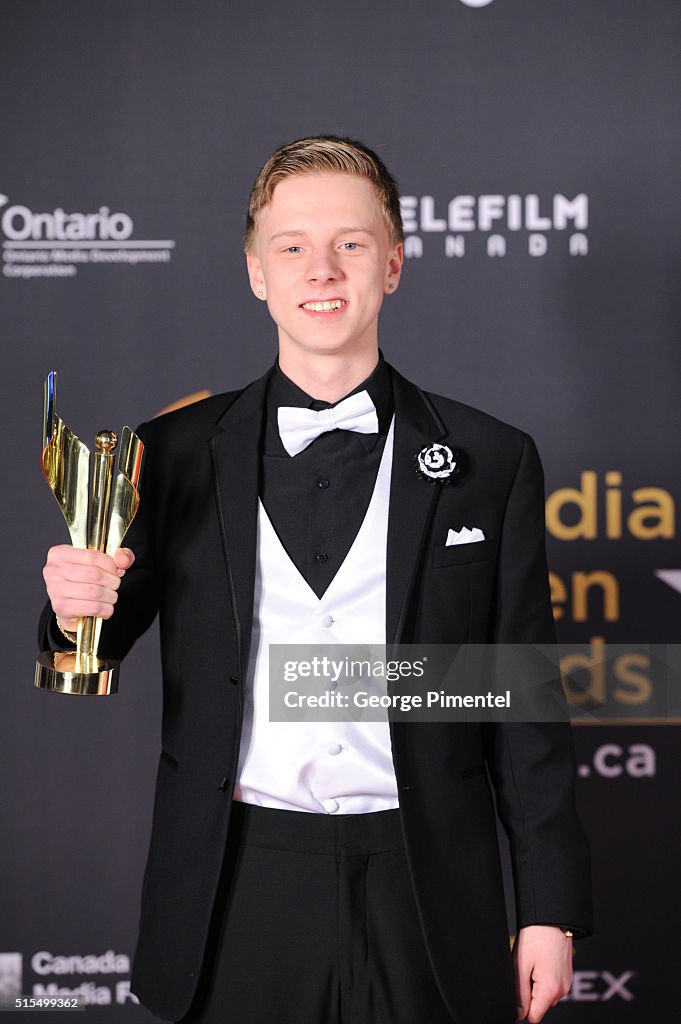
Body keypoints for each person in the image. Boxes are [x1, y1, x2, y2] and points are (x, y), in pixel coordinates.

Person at [40, 136, 592, 1024]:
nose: (322, 269)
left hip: (427, 882)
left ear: (394, 264)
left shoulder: (492, 459)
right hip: (237, 879)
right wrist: (73, 610)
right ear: (256, 271)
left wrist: (549, 907)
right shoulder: (166, 455)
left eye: (351, 242)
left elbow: (522, 701)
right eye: (292, 246)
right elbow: (91, 637)